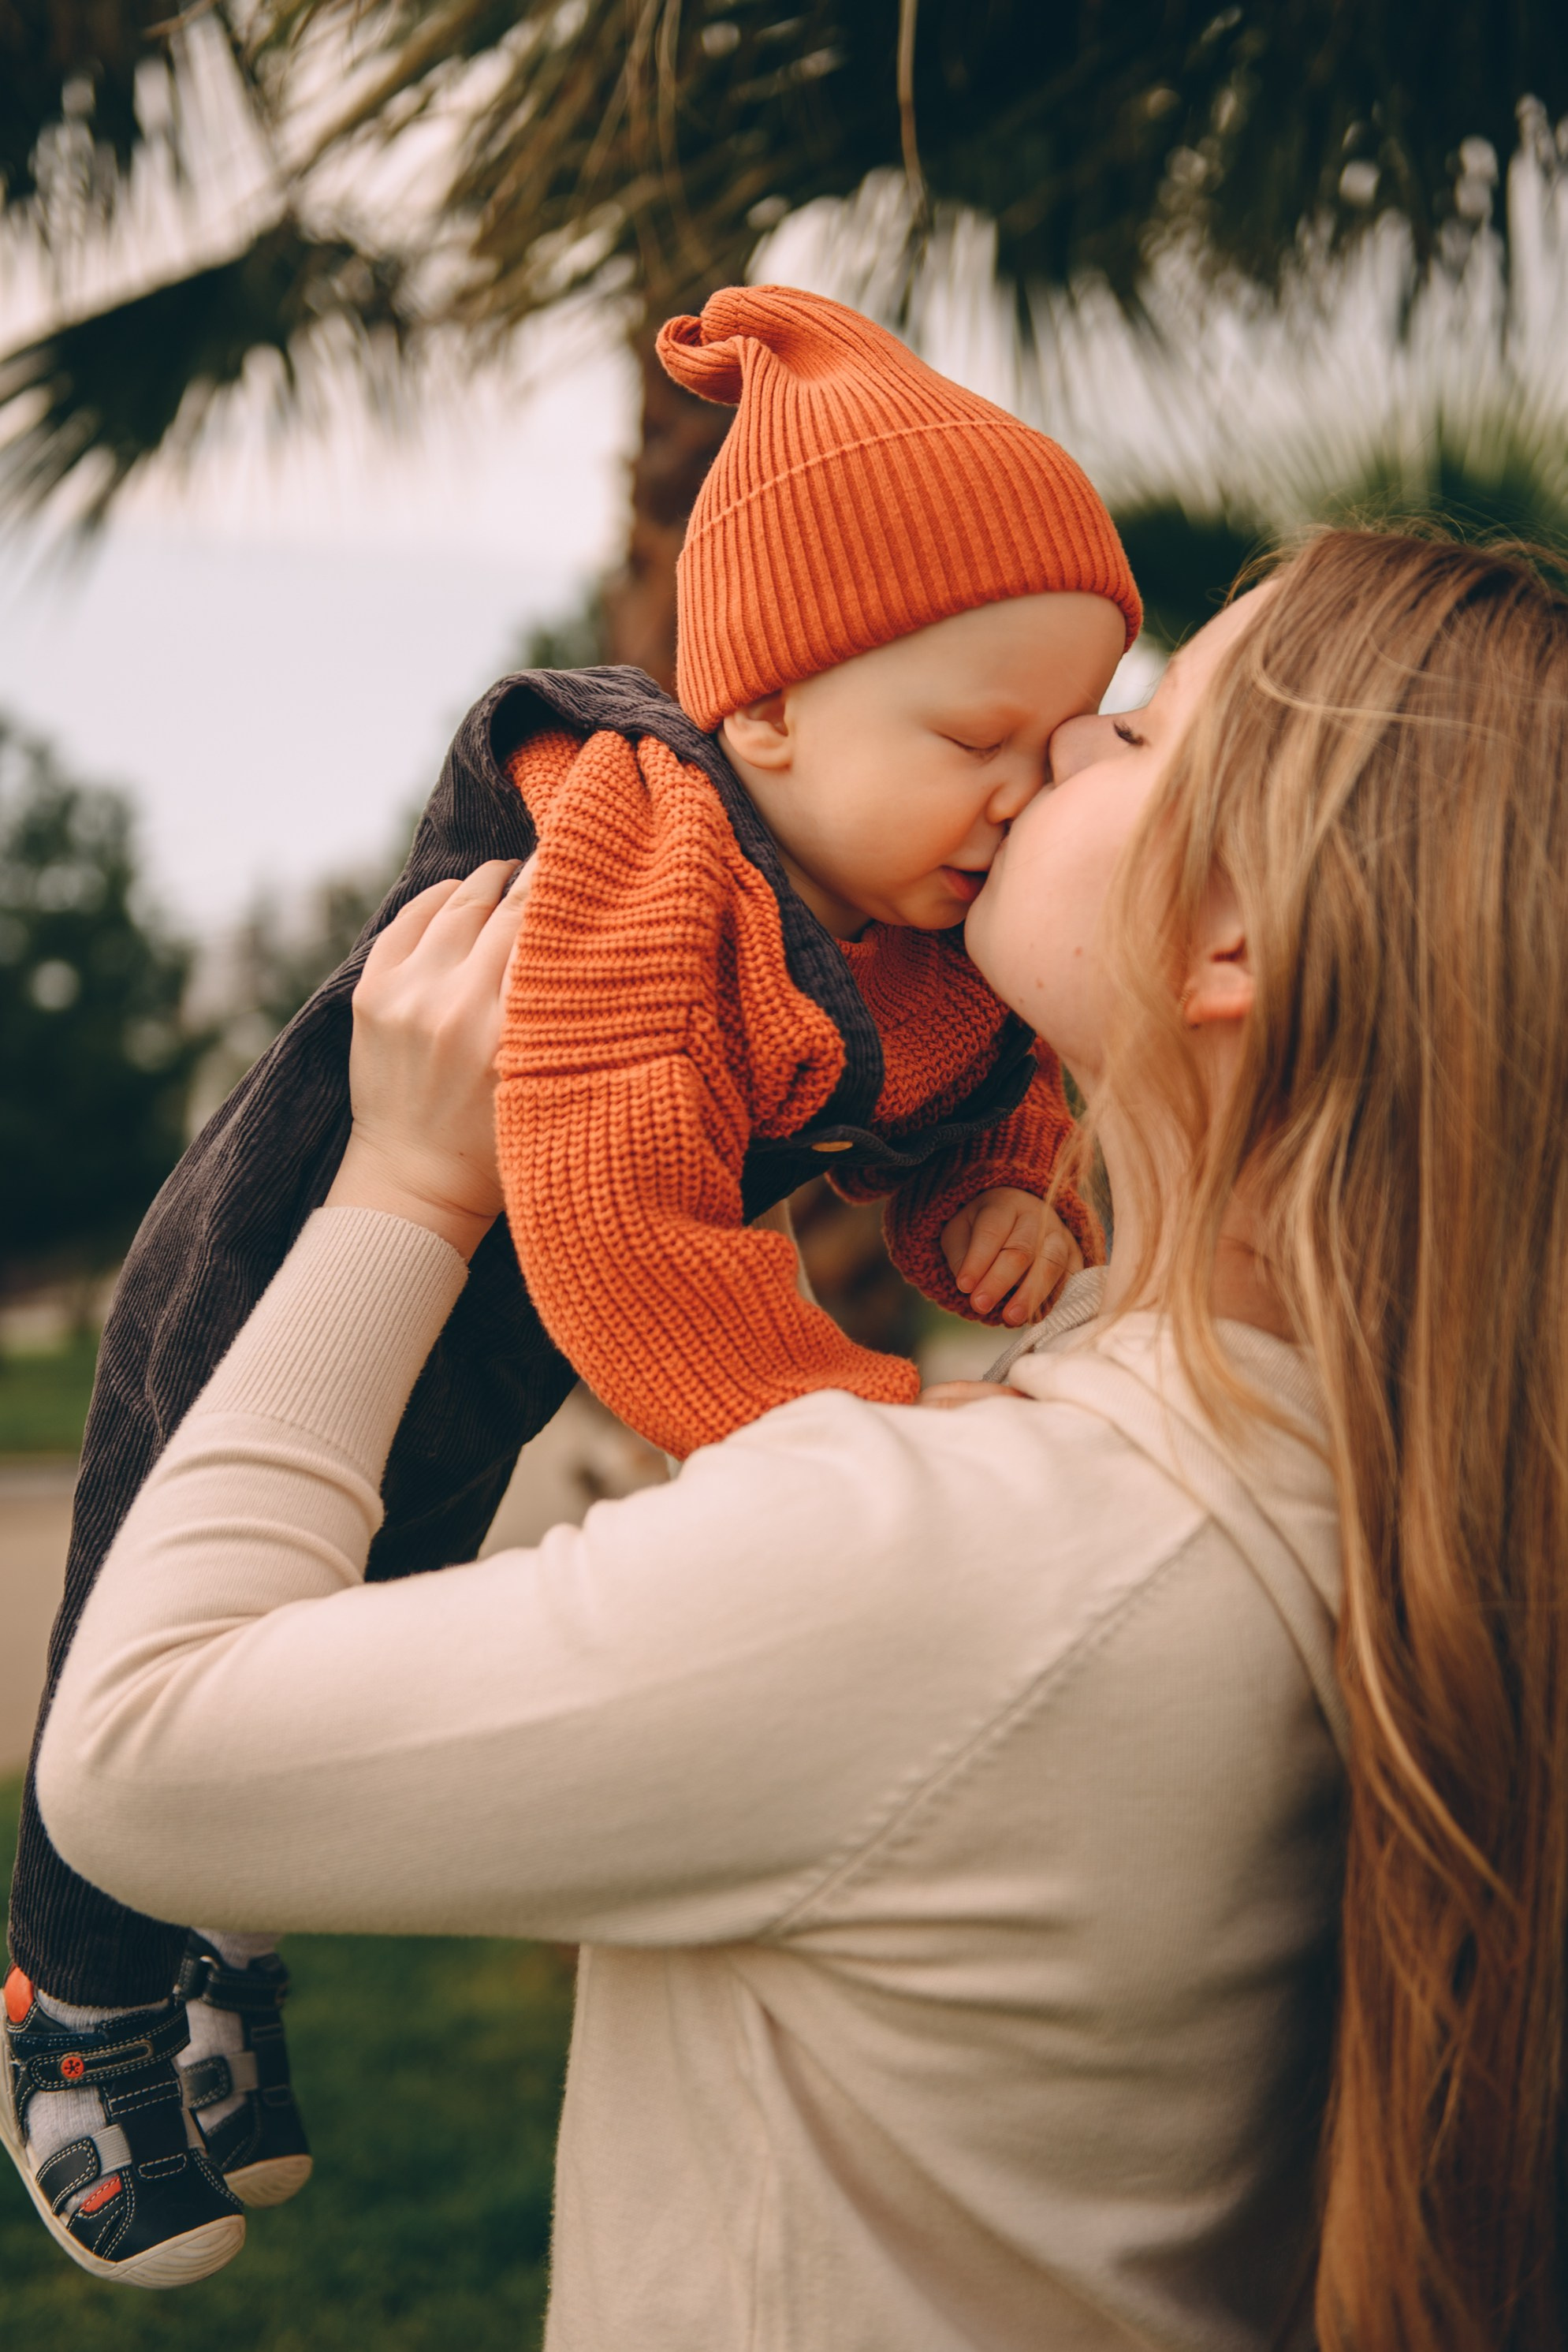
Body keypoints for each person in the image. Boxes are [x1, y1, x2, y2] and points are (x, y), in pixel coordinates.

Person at [23, 524, 1565, 2345]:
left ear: (1231, 940)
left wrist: (409, 1182)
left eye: (1140, 742)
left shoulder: (971, 1574)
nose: (1065, 746)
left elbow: (138, 1758)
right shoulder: (1373, 1492)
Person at [2, 281, 1142, 2275]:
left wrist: (1001, 1192)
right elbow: (621, 1219)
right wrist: (855, 1434)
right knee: (149, 1576)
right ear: (769, 708)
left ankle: (229, 1947)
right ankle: (77, 1994)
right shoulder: (644, 841)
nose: (1025, 797)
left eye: (1068, 745)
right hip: (287, 1270)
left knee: (383, 1584)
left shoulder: (915, 928)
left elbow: (972, 1091)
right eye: (980, 739)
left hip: (474, 1340)